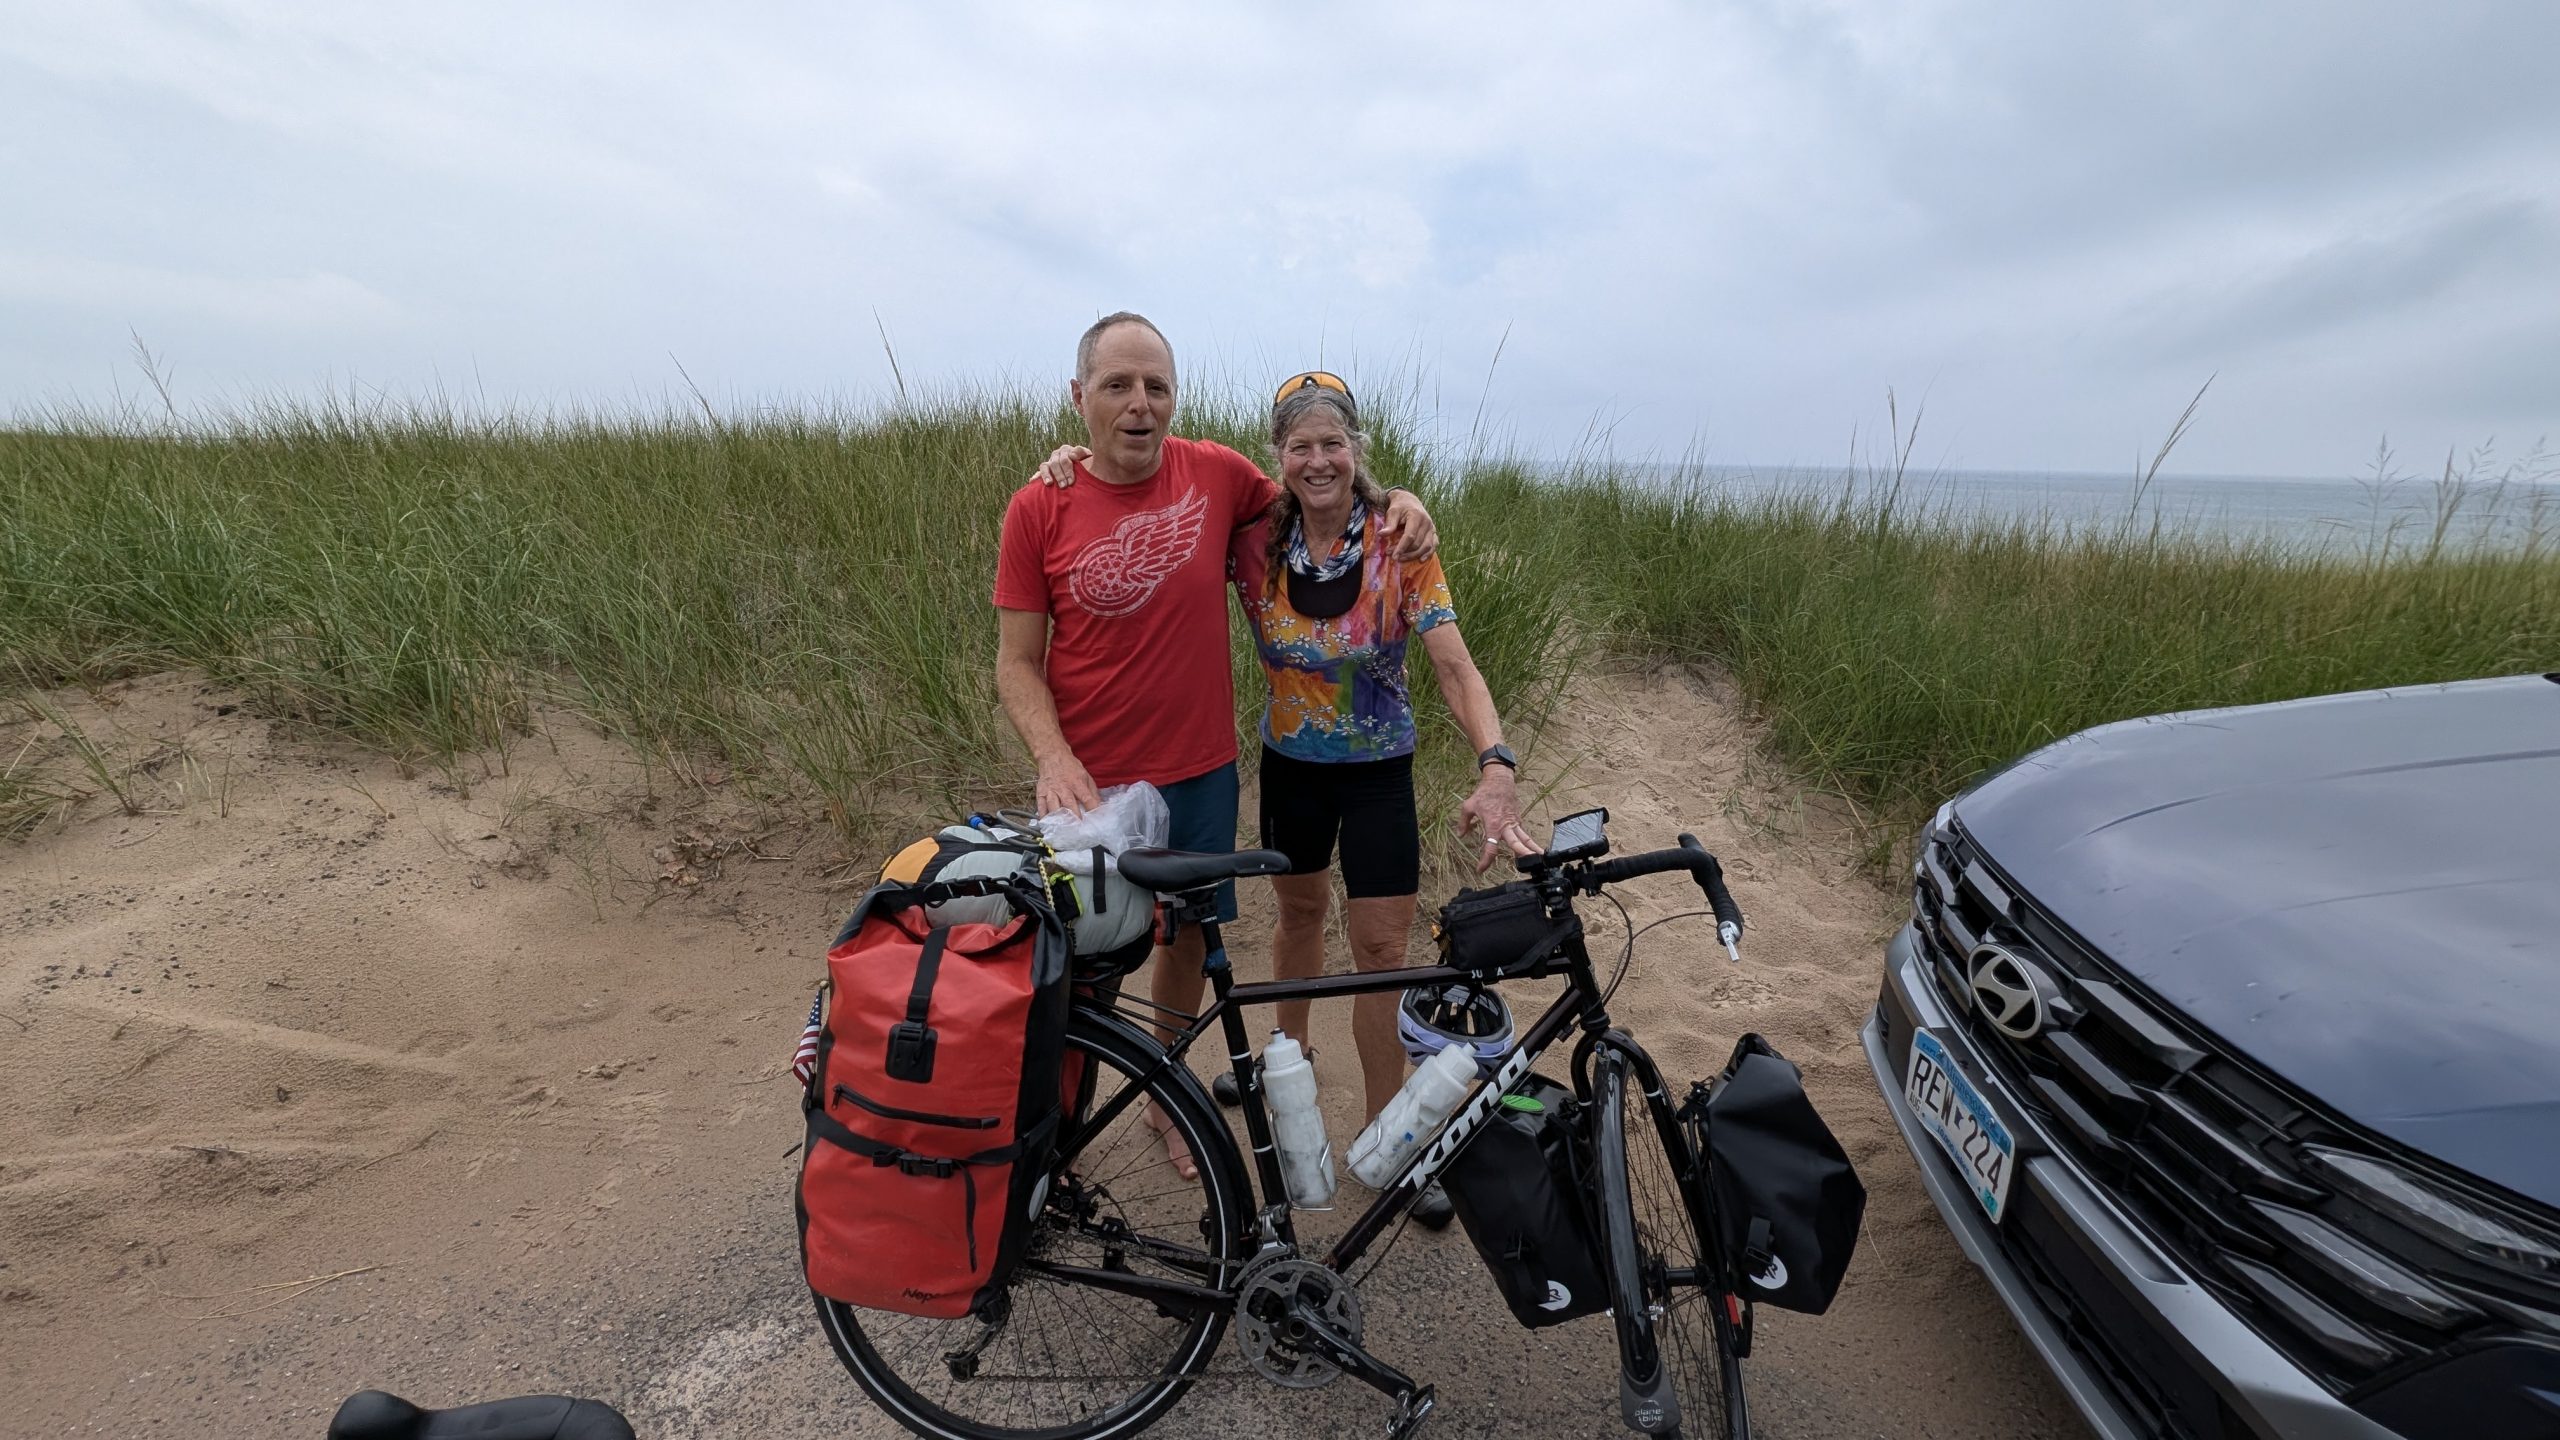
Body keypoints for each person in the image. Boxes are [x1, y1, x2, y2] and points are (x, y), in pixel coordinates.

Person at [993, 314, 1438, 1181]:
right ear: (1079, 396)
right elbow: (1015, 663)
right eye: (1117, 386)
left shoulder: (1217, 474)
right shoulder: (1038, 505)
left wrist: (1399, 501)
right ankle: (1050, 1135)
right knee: (1077, 962)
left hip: (1201, 771)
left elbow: (1324, 490)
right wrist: (1053, 757)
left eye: (1155, 386)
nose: (1139, 404)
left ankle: (1162, 1100)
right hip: (1090, 786)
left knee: (1186, 946)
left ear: (1174, 397)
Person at [1229, 374, 1539, 1197]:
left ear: (1356, 449)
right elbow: (1157, 491)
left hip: (1378, 776)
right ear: (1279, 455)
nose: (1318, 460)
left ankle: (1386, 1132)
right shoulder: (1250, 540)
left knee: (1381, 954)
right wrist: (1074, 457)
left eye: (1333, 443)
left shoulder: (1399, 540)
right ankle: (1287, 1062)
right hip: (1290, 769)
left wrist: (1496, 764)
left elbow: (1455, 667)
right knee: (1299, 917)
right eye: (1301, 446)